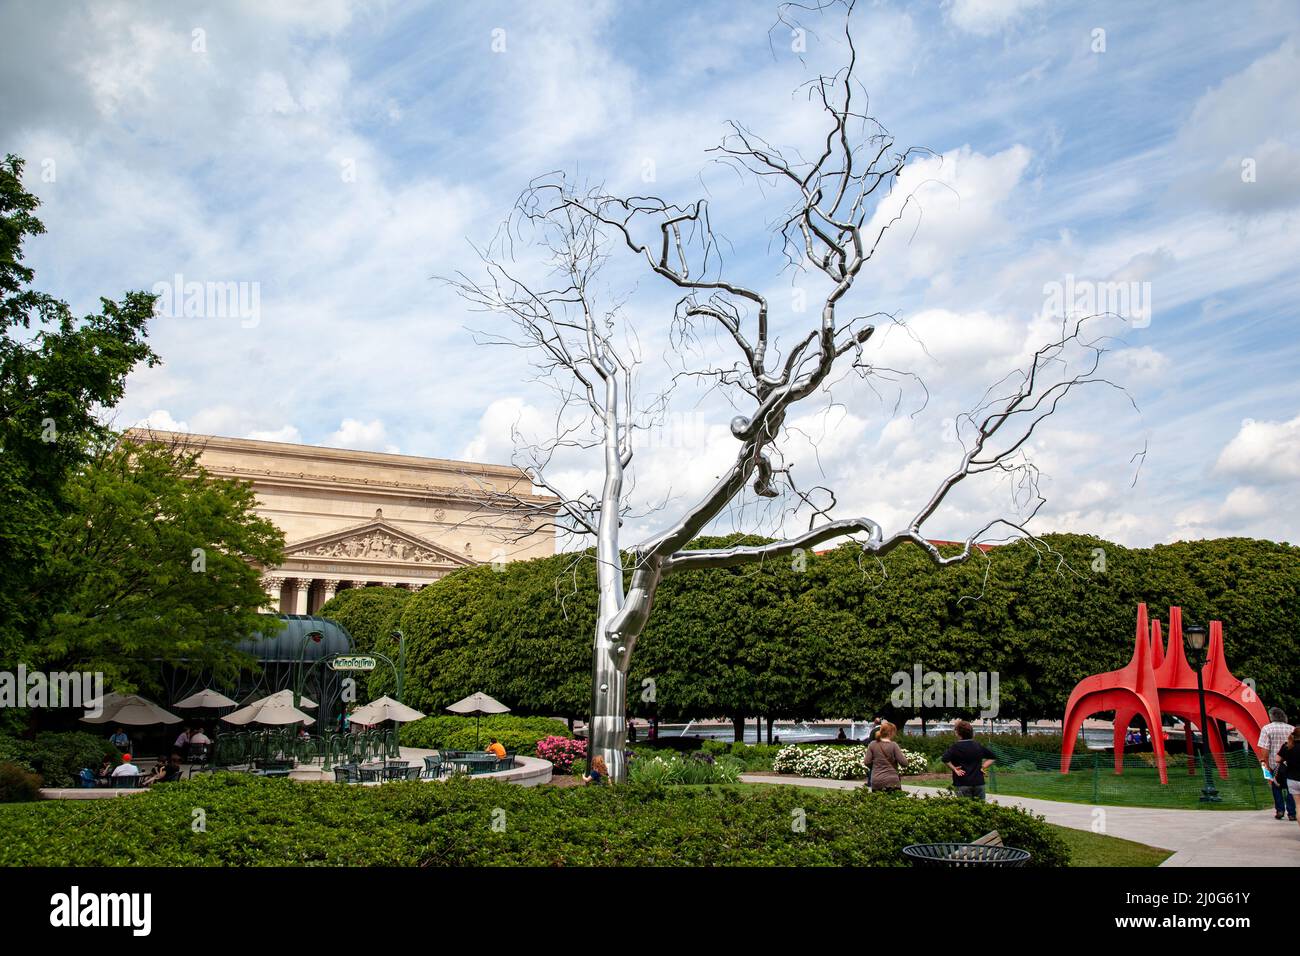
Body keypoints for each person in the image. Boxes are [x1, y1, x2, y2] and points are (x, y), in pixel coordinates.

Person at [941, 719, 997, 800]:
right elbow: (992, 757)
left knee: (964, 809)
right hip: (979, 783)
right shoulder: (977, 746)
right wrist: (983, 767)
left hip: (962, 783)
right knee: (980, 809)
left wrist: (954, 769)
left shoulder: (955, 747)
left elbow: (945, 759)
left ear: (958, 733)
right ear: (971, 733)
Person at [1259, 707, 1295, 821]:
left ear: (1271, 717)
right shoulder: (1292, 729)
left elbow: (1264, 749)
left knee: (1275, 787)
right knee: (1291, 788)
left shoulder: (1267, 729)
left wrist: (1266, 766)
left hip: (1274, 765)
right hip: (1290, 764)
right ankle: (1292, 812)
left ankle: (1280, 810)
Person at [864, 720, 906, 793]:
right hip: (892, 781)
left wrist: (875, 767)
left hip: (877, 780)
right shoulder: (893, 745)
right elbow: (904, 763)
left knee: (878, 803)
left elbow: (867, 762)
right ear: (891, 733)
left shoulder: (872, 744)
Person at [1278, 727, 1300, 832]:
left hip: (1292, 779)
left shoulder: (1287, 746)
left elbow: (1277, 759)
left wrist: (1285, 760)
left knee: (1298, 806)